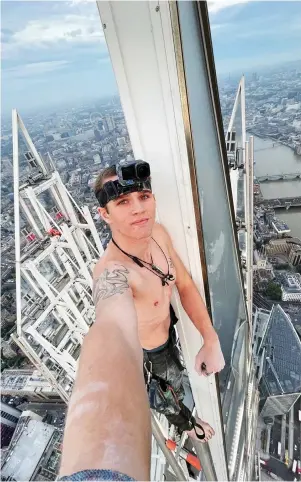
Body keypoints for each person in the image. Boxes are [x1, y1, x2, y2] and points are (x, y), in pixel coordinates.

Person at [92, 160, 224, 440]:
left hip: (168, 327)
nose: (138, 208)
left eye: (143, 196)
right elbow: (109, 313)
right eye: (123, 202)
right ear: (105, 214)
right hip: (149, 355)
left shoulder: (158, 234)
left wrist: (210, 339)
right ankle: (188, 425)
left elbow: (185, 284)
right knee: (170, 393)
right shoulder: (114, 273)